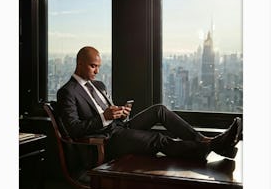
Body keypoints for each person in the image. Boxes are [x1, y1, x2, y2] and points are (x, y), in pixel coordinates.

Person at [57, 46, 242, 162]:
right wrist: (103, 118)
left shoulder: (98, 85)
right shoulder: (67, 92)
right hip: (107, 139)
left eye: (99, 66)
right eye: (92, 66)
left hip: (120, 127)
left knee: (159, 110)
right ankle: (211, 147)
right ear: (79, 63)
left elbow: (108, 112)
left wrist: (121, 112)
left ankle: (202, 140)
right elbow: (73, 129)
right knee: (157, 139)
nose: (97, 71)